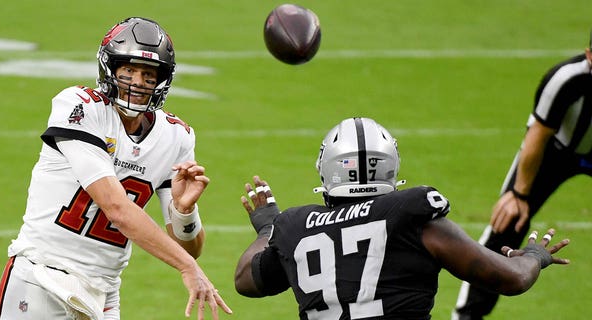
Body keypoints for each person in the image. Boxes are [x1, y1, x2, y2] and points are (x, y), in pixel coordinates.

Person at [0, 17, 231, 320]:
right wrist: (186, 266)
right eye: (128, 69)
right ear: (110, 69)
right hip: (43, 276)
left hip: (104, 290)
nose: (137, 81)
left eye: (148, 74)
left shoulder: (177, 136)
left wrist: (184, 212)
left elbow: (191, 248)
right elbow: (116, 208)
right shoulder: (79, 107)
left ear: (161, 80)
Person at [234, 117, 570, 320]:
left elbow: (246, 281)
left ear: (327, 170)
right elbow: (511, 279)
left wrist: (268, 228)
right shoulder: (412, 215)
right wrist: (535, 257)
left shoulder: (295, 227)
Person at [452, 33, 592, 320]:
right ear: (589, 55)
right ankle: (466, 316)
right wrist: (519, 194)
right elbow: (538, 135)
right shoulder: (565, 80)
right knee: (507, 223)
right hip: (555, 150)